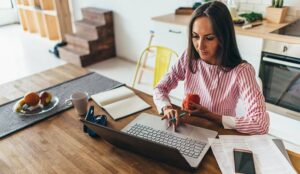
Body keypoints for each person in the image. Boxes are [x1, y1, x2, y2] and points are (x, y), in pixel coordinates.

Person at [153, 1, 269, 135]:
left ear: (223, 37)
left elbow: (261, 124)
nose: (200, 46)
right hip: (190, 128)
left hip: (220, 135)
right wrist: (166, 108)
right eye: (195, 36)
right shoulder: (188, 57)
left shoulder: (242, 71)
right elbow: (160, 88)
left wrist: (210, 115)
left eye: (209, 38)